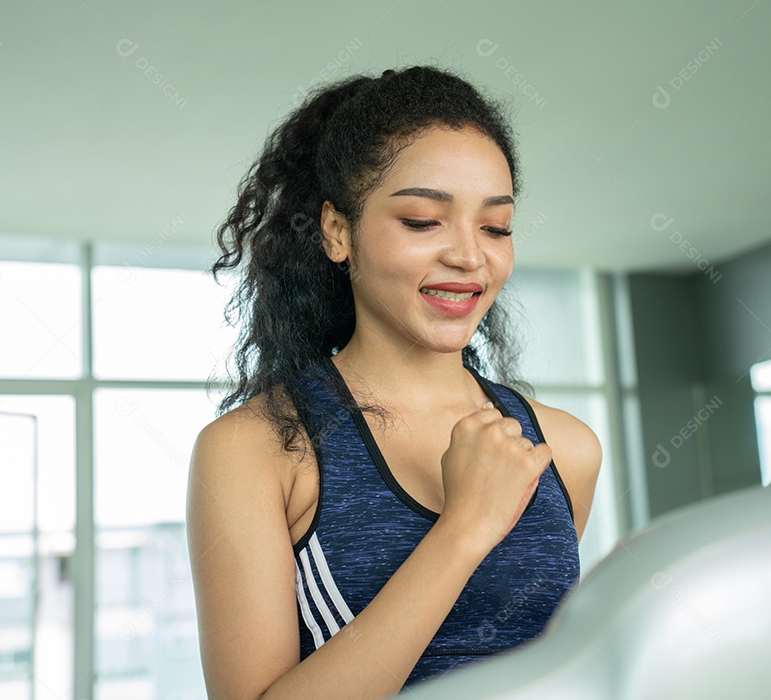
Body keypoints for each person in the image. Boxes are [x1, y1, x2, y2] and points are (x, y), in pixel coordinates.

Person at [186, 65, 603, 700]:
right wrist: (462, 531)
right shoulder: (257, 450)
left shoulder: (565, 451)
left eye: (495, 227)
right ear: (336, 231)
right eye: (421, 221)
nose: (470, 256)